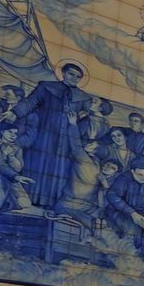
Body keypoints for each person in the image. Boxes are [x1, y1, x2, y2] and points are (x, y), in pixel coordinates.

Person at [13, 60, 93, 208]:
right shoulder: (46, 87)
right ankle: (28, 200)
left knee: (59, 172)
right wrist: (14, 113)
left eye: (77, 76)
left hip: (65, 143)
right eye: (71, 74)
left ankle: (50, 204)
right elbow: (30, 103)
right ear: (63, 73)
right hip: (44, 136)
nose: (74, 78)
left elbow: (86, 122)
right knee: (36, 166)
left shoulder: (84, 98)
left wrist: (78, 130)